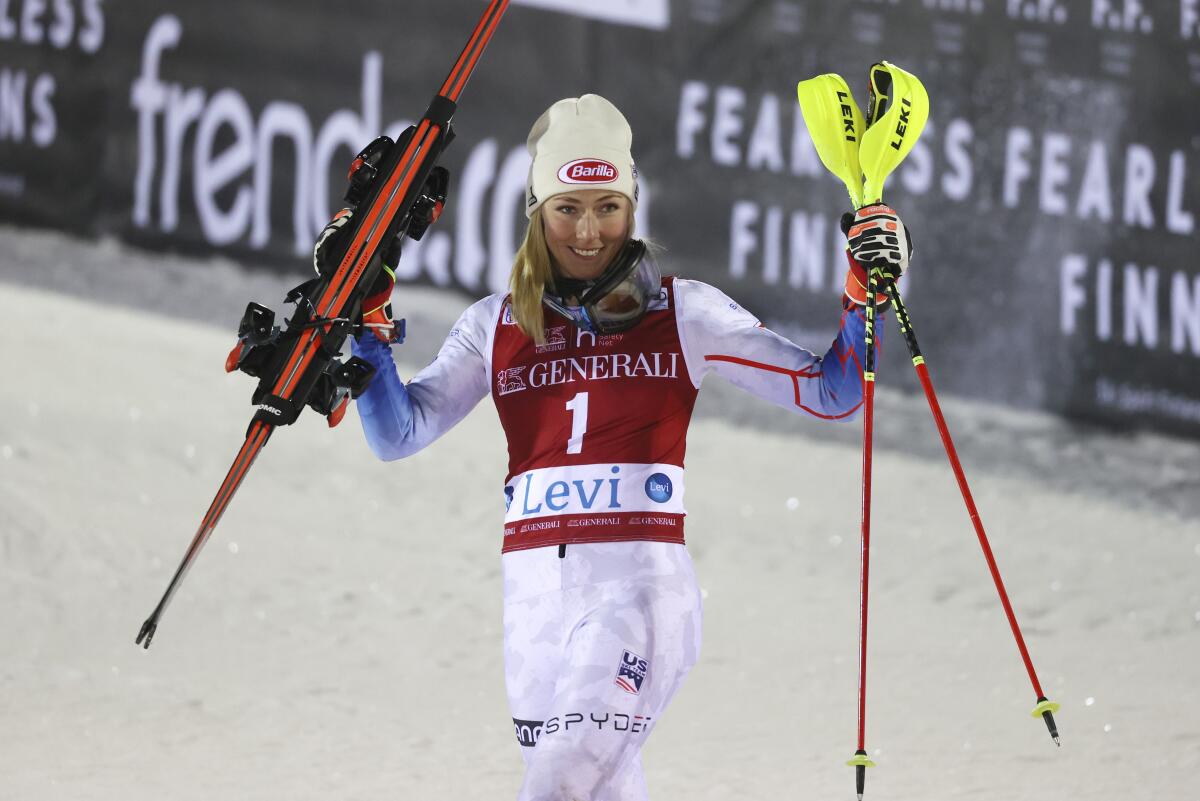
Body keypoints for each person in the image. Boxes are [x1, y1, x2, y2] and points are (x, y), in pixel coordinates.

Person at [325, 94, 911, 801]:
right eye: (567, 207)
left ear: (633, 205)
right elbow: (398, 433)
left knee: (561, 783)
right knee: (598, 788)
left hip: (638, 593)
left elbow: (833, 390)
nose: (589, 230)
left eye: (608, 205)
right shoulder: (494, 325)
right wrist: (362, 315)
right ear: (537, 211)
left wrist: (862, 292)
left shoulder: (684, 311)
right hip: (535, 605)